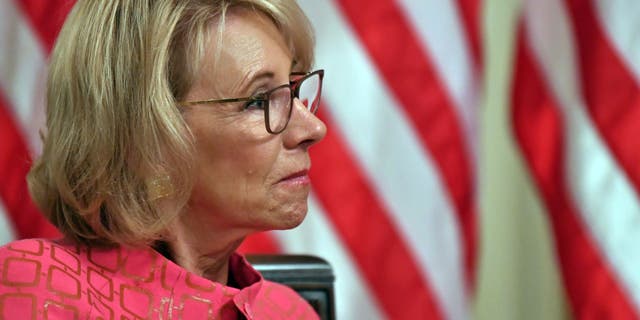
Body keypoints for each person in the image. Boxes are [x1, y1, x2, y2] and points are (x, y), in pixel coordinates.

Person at [0, 0, 326, 319]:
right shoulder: (37, 286)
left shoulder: (289, 311)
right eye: (259, 101)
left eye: (294, 90)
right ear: (148, 137)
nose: (314, 128)